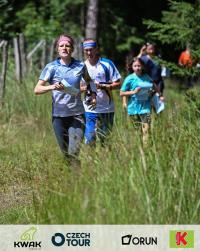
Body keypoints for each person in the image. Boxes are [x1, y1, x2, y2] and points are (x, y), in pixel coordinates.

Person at [34, 34, 96, 165]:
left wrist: (93, 96)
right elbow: (37, 89)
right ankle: (70, 179)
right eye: (61, 45)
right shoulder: (51, 67)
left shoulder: (80, 66)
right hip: (58, 116)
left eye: (67, 45)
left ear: (72, 49)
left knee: (74, 152)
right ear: (57, 49)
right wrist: (52, 86)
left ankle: (77, 181)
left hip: (77, 115)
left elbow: (90, 82)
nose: (64, 48)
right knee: (66, 154)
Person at [81, 38, 121, 145]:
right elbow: (79, 88)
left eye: (91, 49)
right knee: (89, 139)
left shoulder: (107, 64)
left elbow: (118, 84)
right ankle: (91, 160)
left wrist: (102, 86)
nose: (89, 53)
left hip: (107, 108)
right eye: (86, 50)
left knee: (105, 140)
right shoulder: (82, 67)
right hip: (90, 108)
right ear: (83, 50)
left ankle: (106, 159)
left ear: (96, 49)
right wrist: (87, 88)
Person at [120, 57, 157, 145]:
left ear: (142, 66)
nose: (137, 68)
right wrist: (133, 92)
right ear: (132, 67)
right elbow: (121, 93)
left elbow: (153, 88)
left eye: (139, 66)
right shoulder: (129, 78)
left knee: (146, 129)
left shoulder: (146, 77)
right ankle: (138, 149)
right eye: (135, 66)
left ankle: (146, 149)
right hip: (133, 107)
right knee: (137, 131)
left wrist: (150, 92)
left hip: (145, 106)